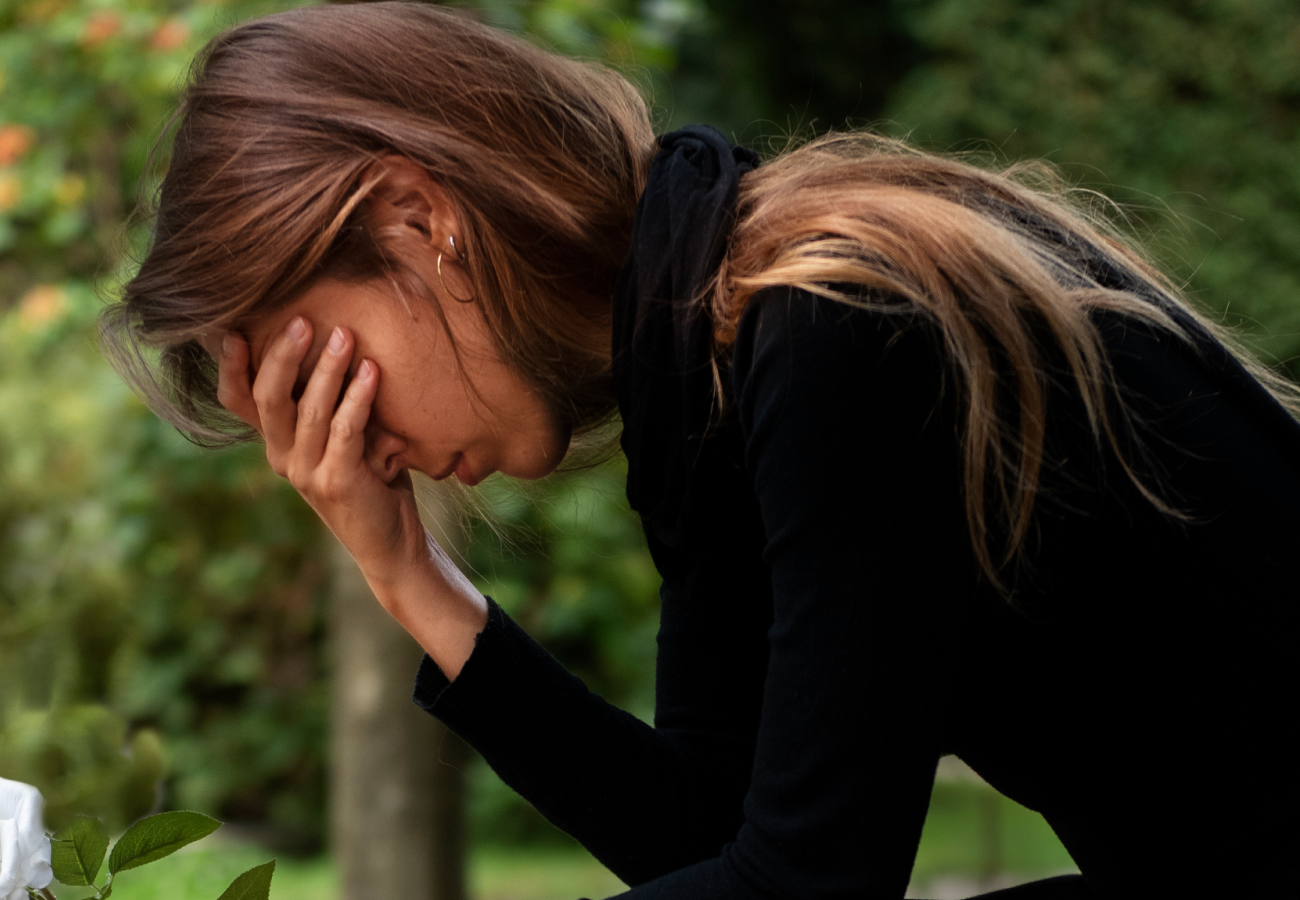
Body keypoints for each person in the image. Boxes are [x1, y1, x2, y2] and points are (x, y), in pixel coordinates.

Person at [101, 3, 1300, 898]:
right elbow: (708, 838)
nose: (355, 443)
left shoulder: (836, 322)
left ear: (421, 221)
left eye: (331, 374)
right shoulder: (719, 355)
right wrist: (408, 576)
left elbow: (805, 888)